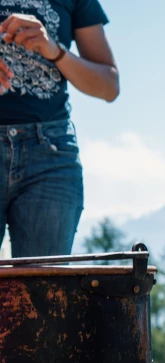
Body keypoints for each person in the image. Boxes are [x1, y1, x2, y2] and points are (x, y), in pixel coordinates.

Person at [0, 1, 118, 258]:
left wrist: (55, 50)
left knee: (43, 293)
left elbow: (109, 86)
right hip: (51, 152)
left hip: (50, 156)